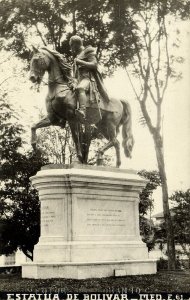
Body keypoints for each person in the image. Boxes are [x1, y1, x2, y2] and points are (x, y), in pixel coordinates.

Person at [69, 35, 110, 121]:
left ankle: (82, 110)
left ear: (76, 44)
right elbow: (75, 76)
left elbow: (94, 65)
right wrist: (73, 82)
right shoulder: (76, 58)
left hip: (88, 79)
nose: (71, 48)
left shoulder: (88, 51)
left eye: (72, 45)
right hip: (79, 80)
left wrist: (80, 62)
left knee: (80, 88)